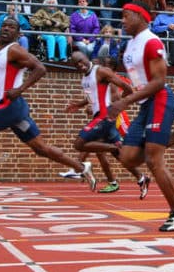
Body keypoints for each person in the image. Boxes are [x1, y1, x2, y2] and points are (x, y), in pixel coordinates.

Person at [0, 18, 92, 196]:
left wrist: (20, 89)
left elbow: (40, 68)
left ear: (18, 33)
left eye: (11, 27)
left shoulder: (14, 49)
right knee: (40, 148)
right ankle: (81, 166)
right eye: (4, 26)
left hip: (10, 106)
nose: (6, 29)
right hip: (14, 108)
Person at [107, 1, 174, 231]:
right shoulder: (131, 45)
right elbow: (137, 81)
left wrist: (126, 101)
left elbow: (158, 82)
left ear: (140, 16)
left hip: (161, 100)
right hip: (146, 104)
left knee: (154, 160)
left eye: (126, 16)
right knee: (127, 157)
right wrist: (124, 96)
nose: (123, 21)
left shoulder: (151, 41)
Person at [60, 51, 151, 195]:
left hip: (105, 115)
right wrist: (79, 104)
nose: (80, 65)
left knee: (79, 144)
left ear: (86, 58)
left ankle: (81, 168)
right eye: (76, 64)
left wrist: (120, 104)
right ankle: (141, 177)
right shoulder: (85, 79)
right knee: (117, 154)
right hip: (100, 116)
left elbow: (128, 88)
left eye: (81, 61)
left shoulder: (101, 71)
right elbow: (93, 98)